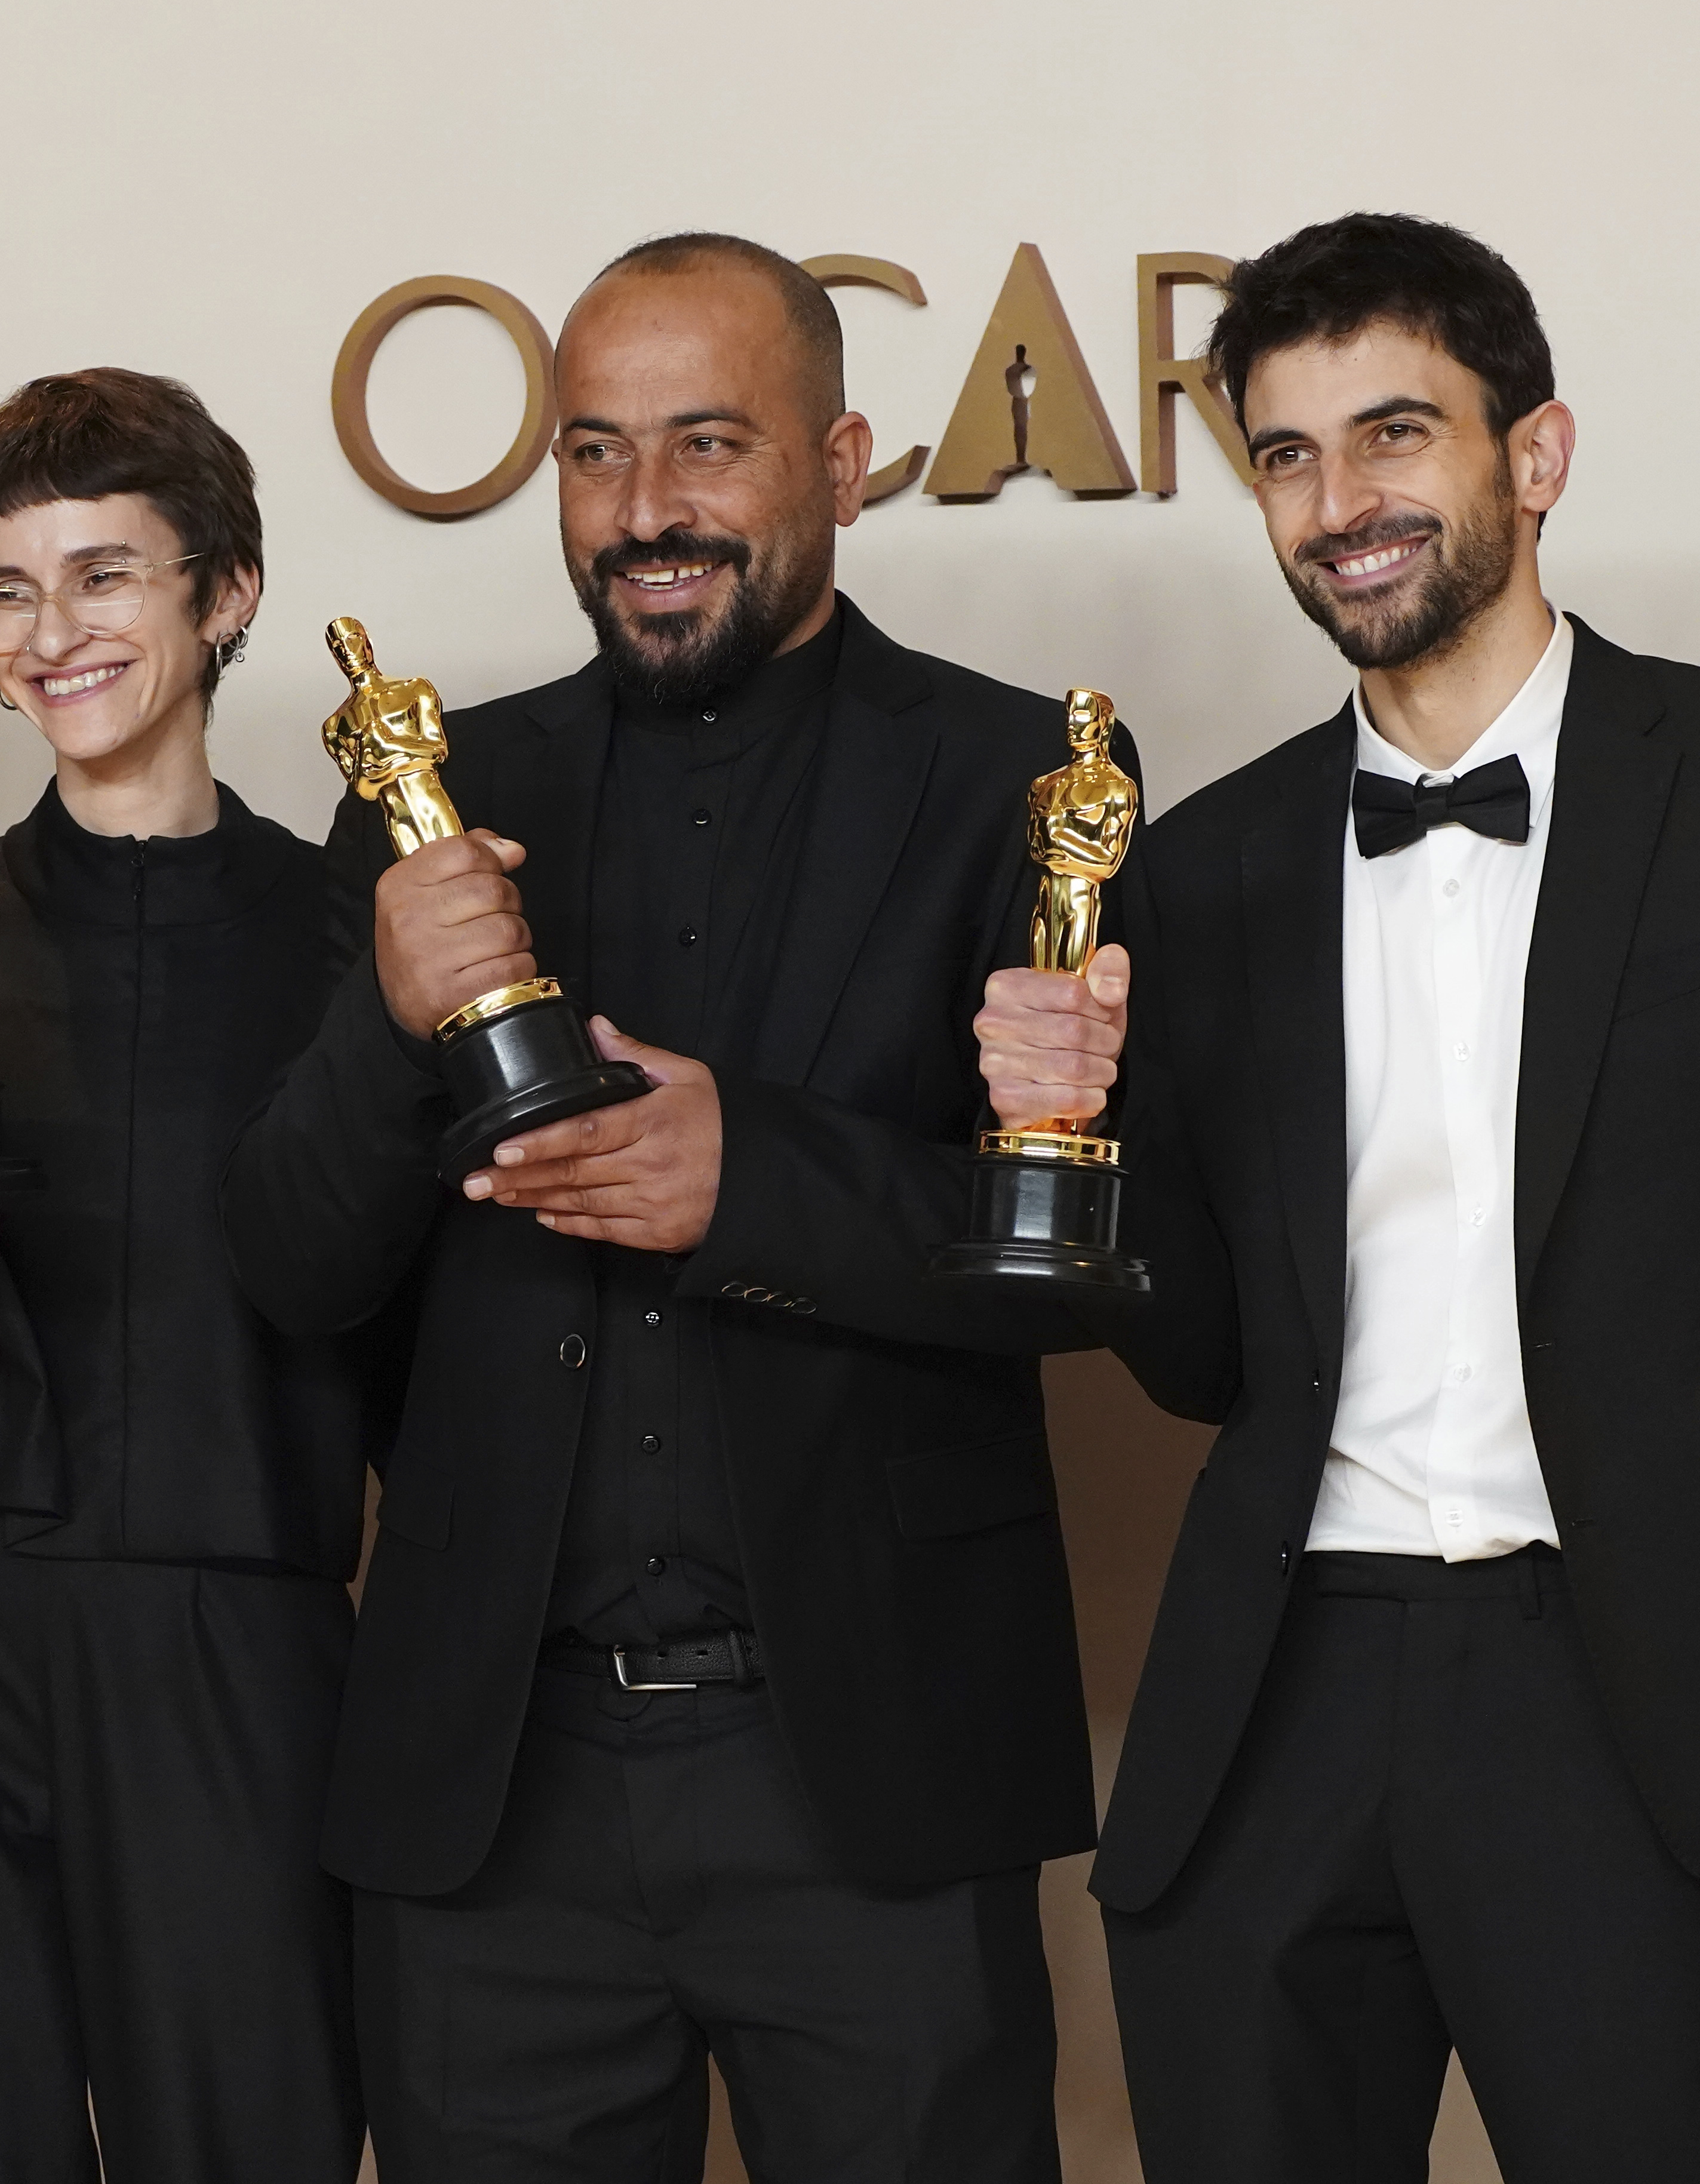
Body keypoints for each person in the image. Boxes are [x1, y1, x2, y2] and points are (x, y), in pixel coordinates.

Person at [973, 213, 1700, 2181]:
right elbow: (1205, 1362)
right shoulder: (1213, 863)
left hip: (1633, 1703)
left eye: (1395, 434)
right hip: (1275, 1702)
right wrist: (1082, 1134)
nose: (1339, 504)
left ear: (1537, 454)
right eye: (1288, 456)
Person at [224, 233, 1107, 2183]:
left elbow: (1095, 1268)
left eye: (709, 444)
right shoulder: (436, 790)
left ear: (844, 465)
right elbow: (293, 1261)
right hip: (493, 1799)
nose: (645, 513)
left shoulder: (1023, 778)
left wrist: (755, 1178)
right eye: (596, 452)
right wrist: (389, 1020)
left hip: (874, 1774)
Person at [0, 368, 366, 2183]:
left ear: (226, 591)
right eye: (6, 593)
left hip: (244, 1626)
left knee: (250, 2138)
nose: (50, 635)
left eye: (103, 576)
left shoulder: (351, 939)